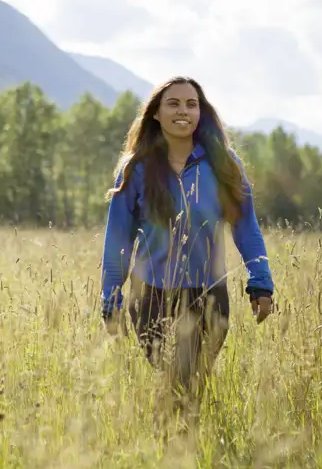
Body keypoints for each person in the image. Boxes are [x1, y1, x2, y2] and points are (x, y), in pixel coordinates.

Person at [99, 76, 274, 399]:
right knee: (180, 383)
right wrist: (111, 299)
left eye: (191, 104)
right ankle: (173, 429)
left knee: (191, 386)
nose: (183, 111)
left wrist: (260, 282)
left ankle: (175, 429)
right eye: (173, 103)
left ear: (200, 113)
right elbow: (118, 239)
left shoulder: (224, 164)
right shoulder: (136, 168)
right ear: (155, 113)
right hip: (150, 297)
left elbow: (246, 226)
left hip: (209, 295)